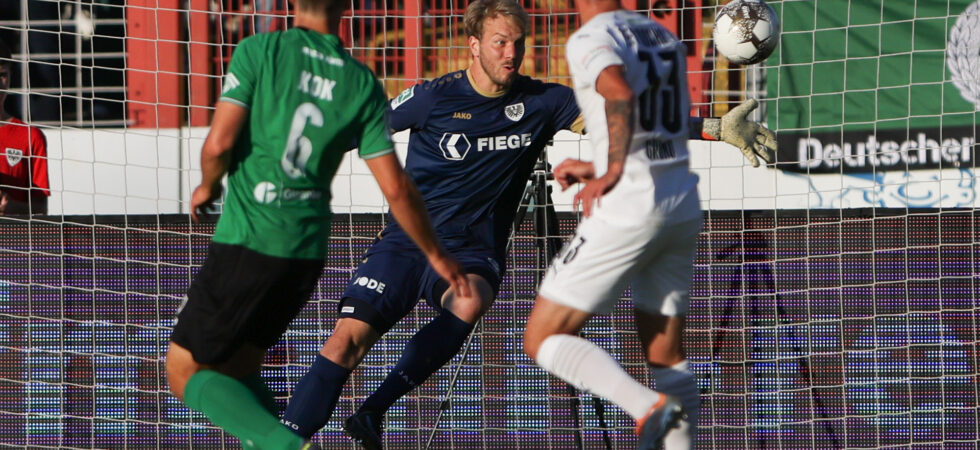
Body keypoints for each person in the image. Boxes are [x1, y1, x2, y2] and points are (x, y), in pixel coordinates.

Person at [280, 1, 774, 448]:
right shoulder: (432, 98)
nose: (511, 53)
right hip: (408, 243)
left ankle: (372, 411)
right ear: (473, 45)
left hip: (474, 252)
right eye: (500, 42)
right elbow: (361, 128)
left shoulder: (542, 102)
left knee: (469, 299)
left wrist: (713, 127)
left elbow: (628, 116)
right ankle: (283, 442)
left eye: (519, 42)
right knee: (345, 341)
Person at [163, 1, 469, 449]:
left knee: (183, 370)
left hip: (250, 239)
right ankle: (284, 438)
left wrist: (208, 185)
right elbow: (398, 188)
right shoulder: (362, 82)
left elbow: (219, 144)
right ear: (345, 6)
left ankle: (294, 446)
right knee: (240, 369)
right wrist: (438, 255)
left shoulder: (258, 52)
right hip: (305, 254)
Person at [522, 1, 774, 449]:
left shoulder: (590, 38)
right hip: (679, 200)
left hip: (629, 205)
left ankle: (644, 408)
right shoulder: (664, 38)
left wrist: (610, 171)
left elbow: (619, 95)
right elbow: (656, 127)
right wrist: (601, 162)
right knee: (666, 356)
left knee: (542, 337)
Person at [0, 38, 50, 215]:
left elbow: (41, 209)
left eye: (3, 75)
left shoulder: (31, 136)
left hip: (13, 239)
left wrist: (12, 207)